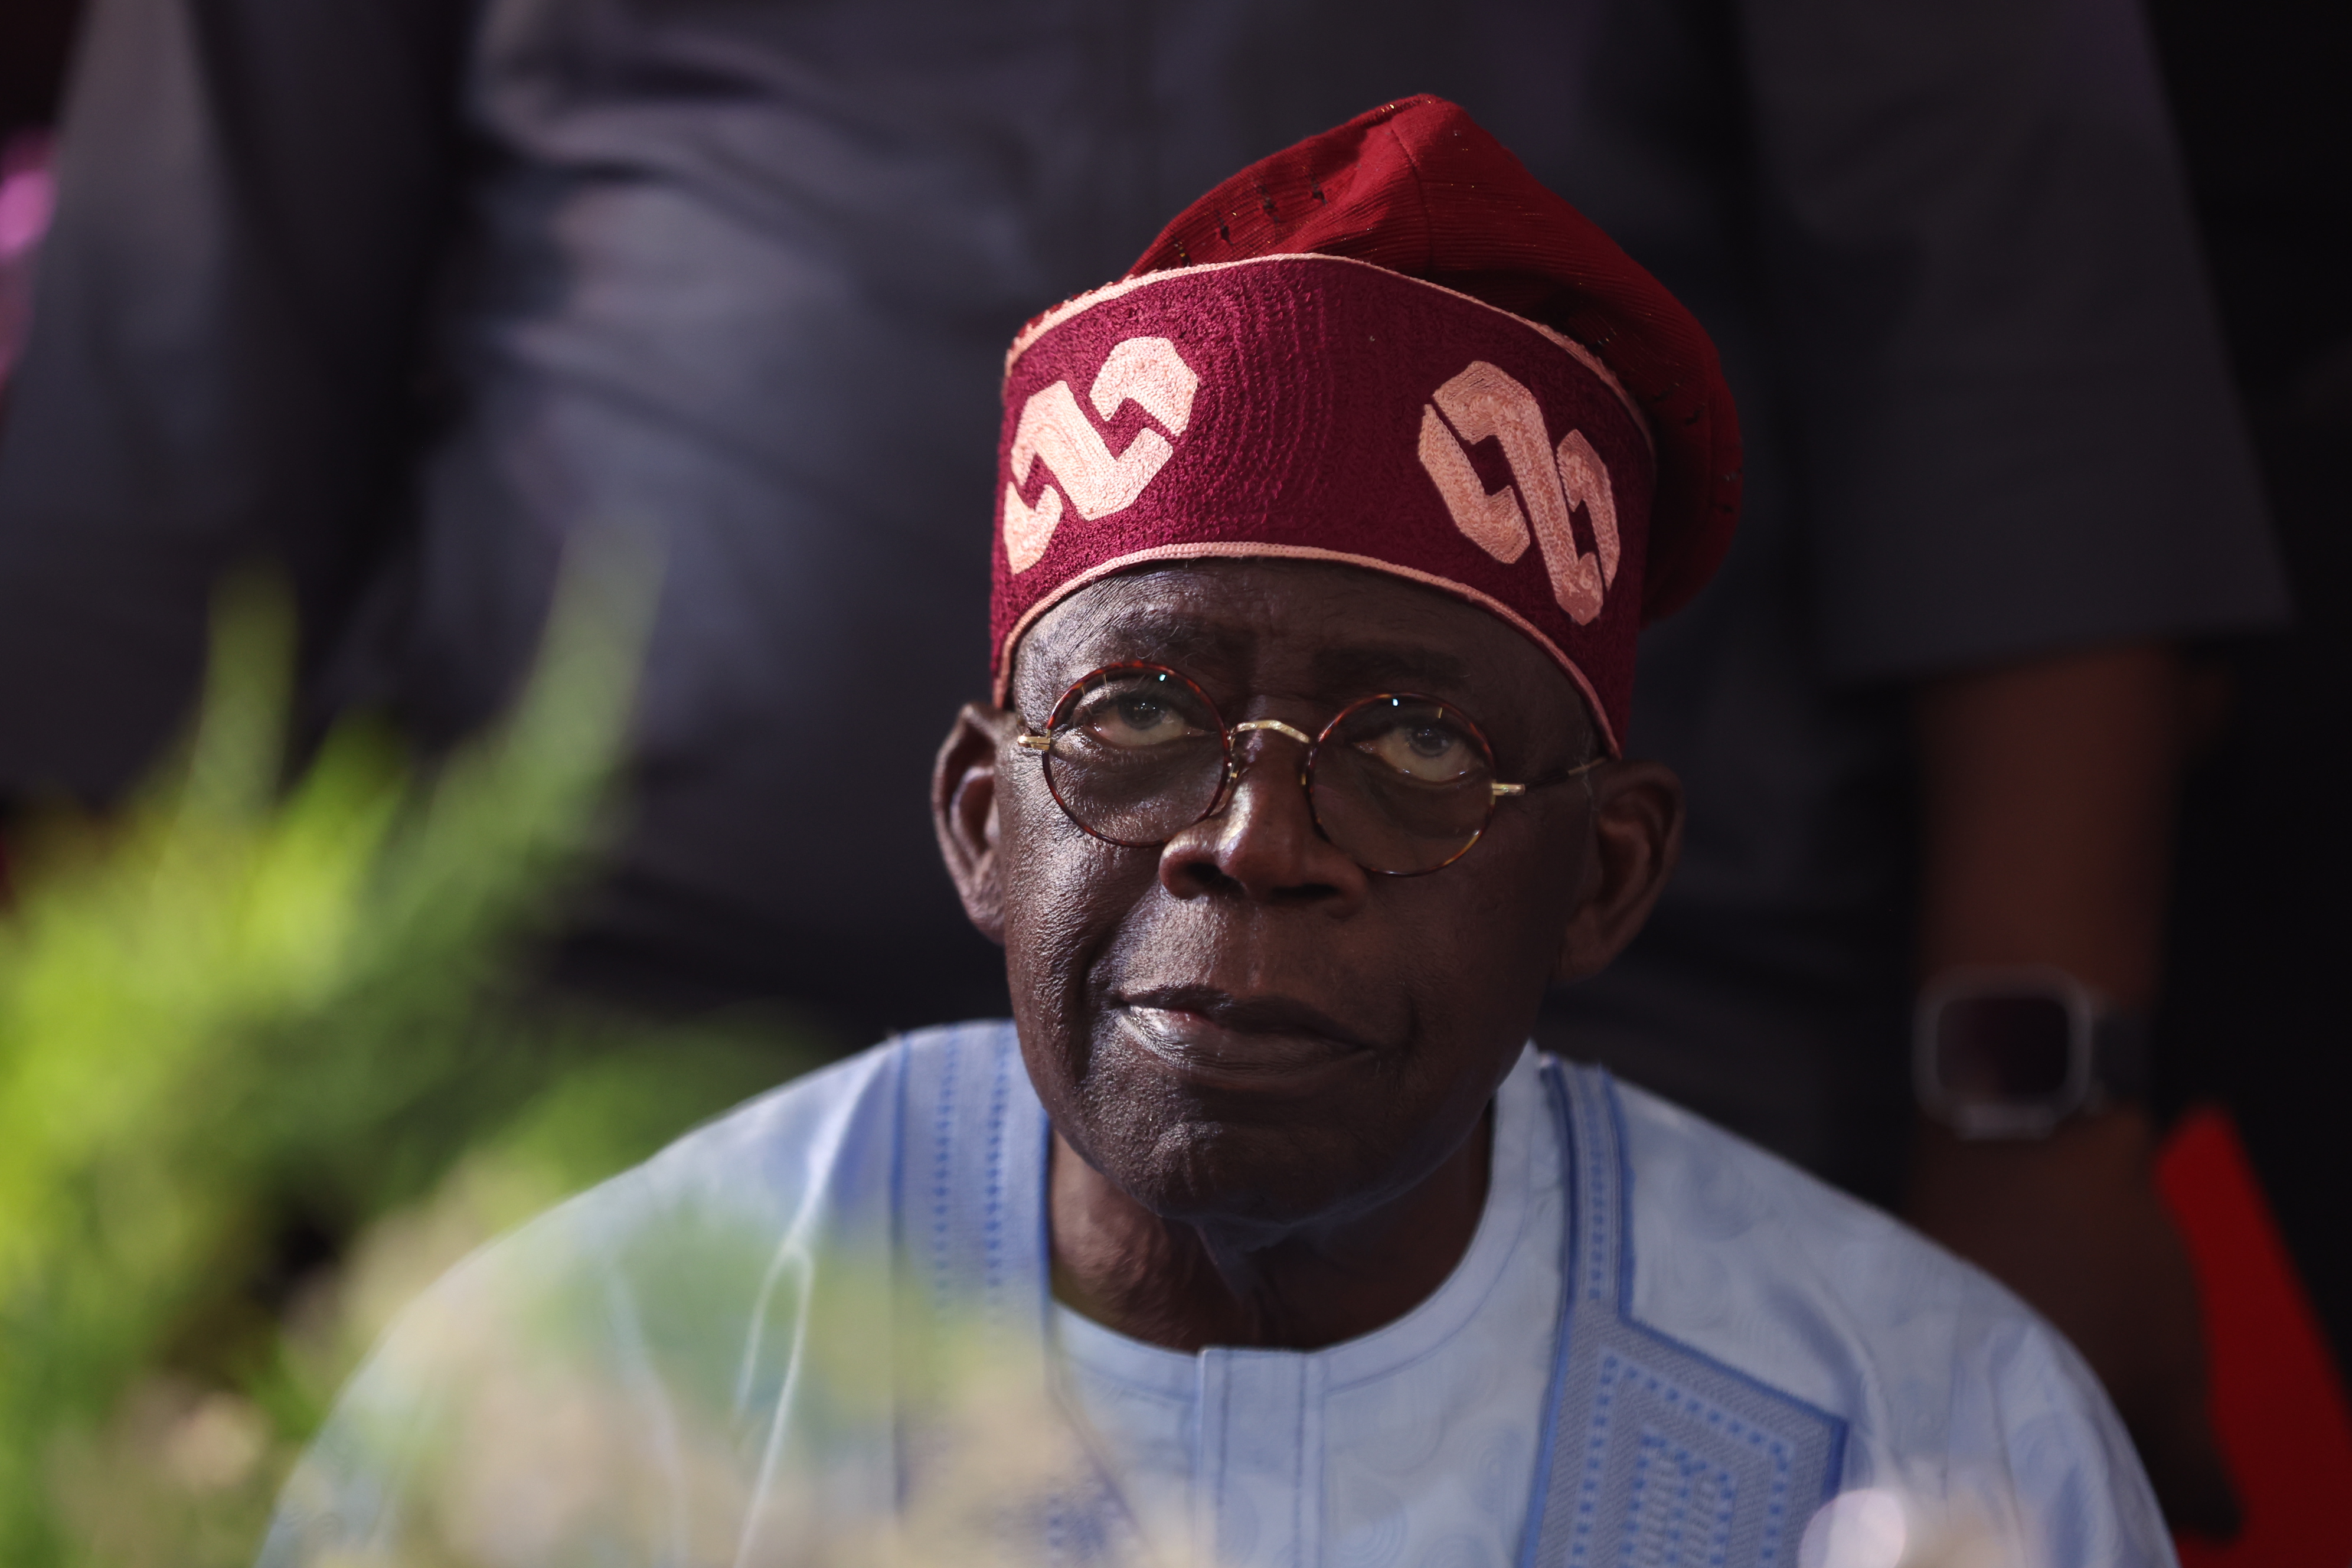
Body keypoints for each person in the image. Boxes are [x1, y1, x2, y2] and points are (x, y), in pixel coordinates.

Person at [1, 0, 2282, 1524]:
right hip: (563, 1064)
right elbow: (163, 426)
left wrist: (2033, 1105)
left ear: (1610, 862)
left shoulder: (1897, 1422)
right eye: (1148, 738)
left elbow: (2022, 322)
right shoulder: (515, 1360)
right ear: (978, 807)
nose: (1251, 839)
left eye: (1363, 748)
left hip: (1616, 1088)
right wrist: (117, 1180)